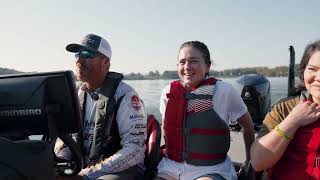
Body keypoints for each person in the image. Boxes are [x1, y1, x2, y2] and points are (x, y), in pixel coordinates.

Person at [155, 41, 255, 180]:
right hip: (170, 167)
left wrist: (249, 162)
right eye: (182, 62)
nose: (187, 67)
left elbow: (248, 126)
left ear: (207, 66)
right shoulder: (168, 92)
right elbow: (166, 127)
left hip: (211, 170)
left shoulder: (224, 91)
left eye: (194, 61)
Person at [54, 34, 147, 180]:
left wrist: (87, 175)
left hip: (122, 170)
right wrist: (61, 165)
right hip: (83, 167)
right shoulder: (76, 94)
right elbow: (67, 137)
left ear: (105, 62)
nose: (79, 60)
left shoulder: (125, 95)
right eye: (77, 54)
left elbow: (135, 149)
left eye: (87, 54)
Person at [250, 40, 320, 179]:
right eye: (312, 69)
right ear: (303, 71)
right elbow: (258, 162)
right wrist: (293, 121)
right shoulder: (285, 109)